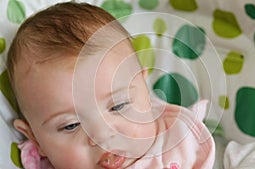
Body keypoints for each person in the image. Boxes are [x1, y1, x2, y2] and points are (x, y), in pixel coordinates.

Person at [6, 2, 215, 169]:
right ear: (35, 138)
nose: (103, 136)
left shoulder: (181, 142)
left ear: (144, 89)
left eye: (118, 106)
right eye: (71, 125)